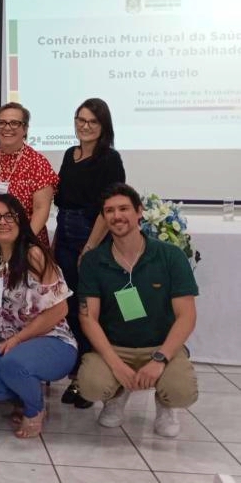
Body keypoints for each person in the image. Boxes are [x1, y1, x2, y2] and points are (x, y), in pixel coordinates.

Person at [77, 183, 198, 438]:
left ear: (139, 211)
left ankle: (166, 405)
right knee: (90, 386)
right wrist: (116, 364)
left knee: (181, 392)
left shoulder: (170, 256)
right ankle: (118, 395)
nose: (116, 216)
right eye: (109, 211)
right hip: (115, 346)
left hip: (160, 345)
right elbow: (89, 319)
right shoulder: (93, 261)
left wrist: (160, 359)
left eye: (123, 208)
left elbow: (186, 316)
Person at [0, 193, 77, 439]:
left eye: (9, 216)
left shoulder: (34, 255)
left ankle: (35, 409)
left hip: (53, 340)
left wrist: (19, 341)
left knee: (14, 363)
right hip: (11, 342)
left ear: (22, 220)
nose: (2, 222)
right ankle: (25, 390)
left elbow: (60, 309)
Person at [54, 98, 126, 409]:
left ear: (103, 126)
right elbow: (63, 201)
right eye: (80, 119)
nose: (84, 126)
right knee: (69, 305)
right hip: (65, 230)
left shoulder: (110, 159)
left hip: (91, 233)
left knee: (90, 308)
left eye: (92, 122)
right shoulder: (71, 155)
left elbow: (106, 208)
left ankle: (92, 381)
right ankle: (76, 377)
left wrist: (90, 246)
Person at [0, 102, 58, 249]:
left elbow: (41, 209)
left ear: (25, 129)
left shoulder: (38, 163)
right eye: (2, 123)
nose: (7, 127)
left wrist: (22, 244)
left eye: (14, 123)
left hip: (27, 246)